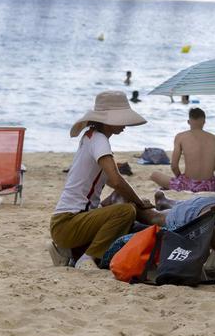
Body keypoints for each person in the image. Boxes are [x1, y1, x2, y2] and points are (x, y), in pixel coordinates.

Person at [49, 91, 153, 267]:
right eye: (120, 119)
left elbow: (111, 182)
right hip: (68, 223)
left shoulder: (90, 136)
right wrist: (139, 203)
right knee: (126, 211)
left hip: (64, 222)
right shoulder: (100, 141)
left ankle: (68, 251)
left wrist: (133, 198)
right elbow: (117, 180)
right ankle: (88, 258)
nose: (124, 124)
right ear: (107, 120)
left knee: (121, 204)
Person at [149, 107, 215, 192]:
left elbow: (174, 166)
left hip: (188, 186)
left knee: (154, 175)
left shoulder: (181, 137)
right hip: (209, 186)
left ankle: (179, 185)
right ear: (204, 122)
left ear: (188, 122)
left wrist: (180, 179)